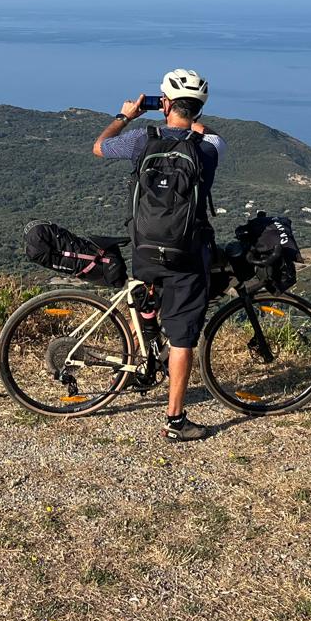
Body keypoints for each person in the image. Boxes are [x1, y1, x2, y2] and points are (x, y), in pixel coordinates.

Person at [93, 68, 224, 442]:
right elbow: (207, 134)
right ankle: (175, 421)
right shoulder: (209, 148)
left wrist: (126, 116)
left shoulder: (140, 141)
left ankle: (146, 345)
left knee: (146, 290)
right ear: (198, 109)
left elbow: (99, 146)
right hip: (185, 252)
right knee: (183, 340)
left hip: (145, 248)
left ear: (163, 103)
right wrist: (191, 119)